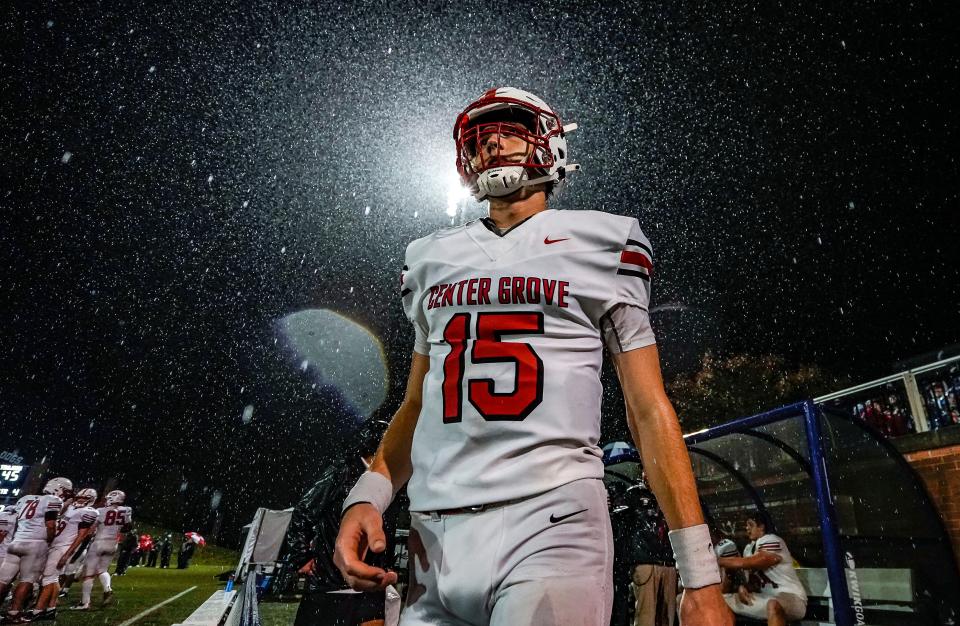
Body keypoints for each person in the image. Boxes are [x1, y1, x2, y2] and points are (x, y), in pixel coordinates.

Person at [334, 87, 731, 626]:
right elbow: (416, 405)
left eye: (510, 127)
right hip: (434, 538)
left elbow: (647, 409)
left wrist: (700, 575)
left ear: (549, 141)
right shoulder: (428, 258)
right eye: (482, 134)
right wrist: (367, 497)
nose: (493, 141)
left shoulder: (605, 241)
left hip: (552, 519)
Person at [286, 419, 394, 626]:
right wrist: (301, 557)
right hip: (331, 582)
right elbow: (303, 511)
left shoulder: (389, 482)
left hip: (371, 582)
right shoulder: (343, 471)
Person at [717, 512, 807, 626]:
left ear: (761, 527)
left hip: (793, 598)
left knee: (773, 605)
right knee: (720, 600)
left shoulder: (772, 539)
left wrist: (718, 561)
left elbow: (759, 561)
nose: (747, 528)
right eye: (746, 525)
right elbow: (755, 581)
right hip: (766, 597)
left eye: (751, 524)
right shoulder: (748, 548)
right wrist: (743, 587)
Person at [0, 477, 70, 624]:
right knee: (27, 580)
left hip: (16, 542)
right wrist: (49, 540)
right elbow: (51, 525)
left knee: (3, 580)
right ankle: (14, 613)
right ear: (58, 489)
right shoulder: (53, 500)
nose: (65, 495)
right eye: (64, 491)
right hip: (35, 544)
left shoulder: (25, 498)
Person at [32, 488, 98, 621]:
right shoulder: (71, 508)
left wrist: (68, 554)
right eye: (79, 497)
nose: (80, 499)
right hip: (56, 544)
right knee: (53, 578)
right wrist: (68, 502)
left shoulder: (90, 512)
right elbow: (58, 516)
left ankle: (37, 611)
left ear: (90, 500)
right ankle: (51, 609)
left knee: (48, 578)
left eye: (84, 498)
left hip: (63, 547)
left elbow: (82, 535)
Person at [72, 489, 132, 611]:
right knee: (102, 570)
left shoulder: (100, 511)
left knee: (89, 574)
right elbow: (127, 527)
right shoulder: (126, 510)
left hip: (99, 542)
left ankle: (85, 603)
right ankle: (107, 589)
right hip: (113, 544)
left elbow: (91, 529)